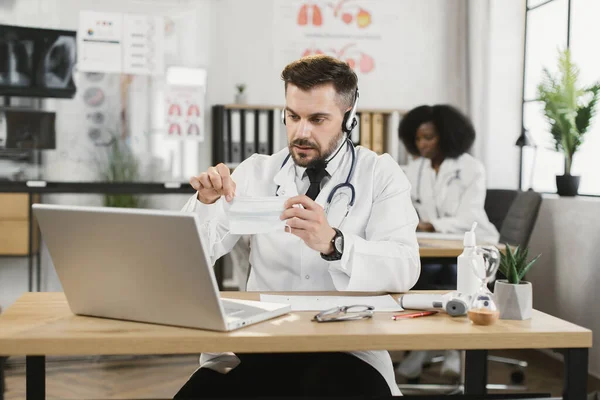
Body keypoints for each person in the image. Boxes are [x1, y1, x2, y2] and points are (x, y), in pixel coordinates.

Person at [174, 55, 420, 398]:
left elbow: (405, 266)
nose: (301, 132)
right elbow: (190, 255)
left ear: (349, 118)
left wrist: (335, 243)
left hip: (347, 349)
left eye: (318, 119)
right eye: (293, 117)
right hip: (263, 344)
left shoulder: (379, 174)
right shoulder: (257, 172)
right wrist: (206, 204)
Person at [396, 104, 499, 380]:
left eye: (429, 137)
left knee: (455, 275)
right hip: (431, 247)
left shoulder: (470, 168)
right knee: (419, 275)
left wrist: (430, 225)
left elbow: (470, 217)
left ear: (447, 135)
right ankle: (428, 346)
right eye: (417, 139)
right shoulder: (416, 168)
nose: (422, 144)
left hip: (470, 242)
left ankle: (450, 349)